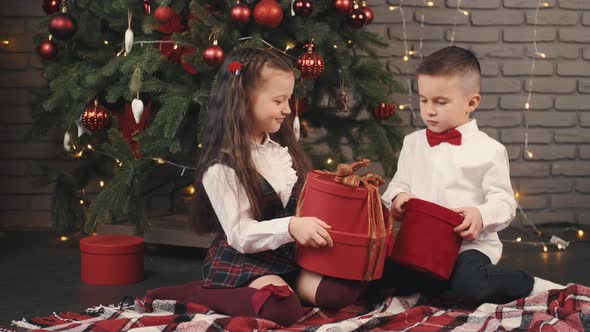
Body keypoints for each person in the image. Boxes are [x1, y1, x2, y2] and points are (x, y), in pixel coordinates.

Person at [146, 47, 360, 326]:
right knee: (281, 310)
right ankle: (202, 292)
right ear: (245, 99)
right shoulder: (221, 165)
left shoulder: (280, 152)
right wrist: (291, 227)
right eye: (279, 100)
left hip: (288, 258)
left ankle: (283, 286)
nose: (287, 109)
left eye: (288, 99)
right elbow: (241, 234)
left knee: (341, 293)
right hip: (246, 261)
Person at [374, 46, 565, 306]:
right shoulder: (413, 143)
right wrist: (399, 197)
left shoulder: (490, 150)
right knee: (380, 280)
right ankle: (436, 287)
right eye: (423, 100)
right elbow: (400, 182)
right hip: (420, 246)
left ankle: (527, 283)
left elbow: (505, 203)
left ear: (471, 102)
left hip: (468, 248)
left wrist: (480, 214)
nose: (429, 110)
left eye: (440, 102)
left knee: (469, 286)